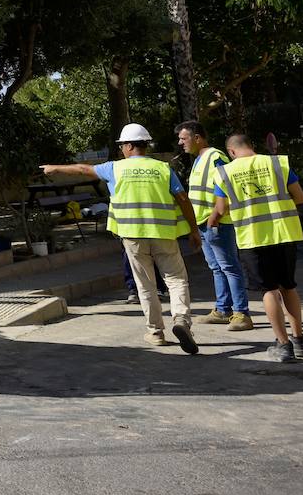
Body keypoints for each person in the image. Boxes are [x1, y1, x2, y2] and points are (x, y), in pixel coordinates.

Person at [44, 123, 202, 353]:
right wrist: (194, 230)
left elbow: (81, 169)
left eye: (122, 146)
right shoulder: (163, 169)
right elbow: (183, 199)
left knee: (145, 285)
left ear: (128, 145)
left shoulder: (114, 168)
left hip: (133, 237)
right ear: (145, 145)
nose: (121, 150)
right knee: (176, 280)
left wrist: (53, 168)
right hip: (164, 234)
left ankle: (156, 332)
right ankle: (181, 321)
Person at [211, 133, 303, 363]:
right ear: (251, 145)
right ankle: (300, 341)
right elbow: (299, 197)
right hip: (285, 233)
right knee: (288, 286)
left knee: (269, 291)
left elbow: (221, 209)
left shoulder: (224, 173)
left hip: (253, 238)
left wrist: (215, 219)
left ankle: (283, 345)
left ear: (231, 152)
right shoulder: (277, 163)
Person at [176, 121, 253, 331]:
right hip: (204, 222)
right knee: (217, 268)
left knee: (229, 267)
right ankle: (223, 309)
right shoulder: (199, 159)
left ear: (197, 137)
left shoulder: (215, 156)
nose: (180, 142)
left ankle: (241, 314)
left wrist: (215, 215)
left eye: (184, 138)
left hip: (217, 223)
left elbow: (228, 186)